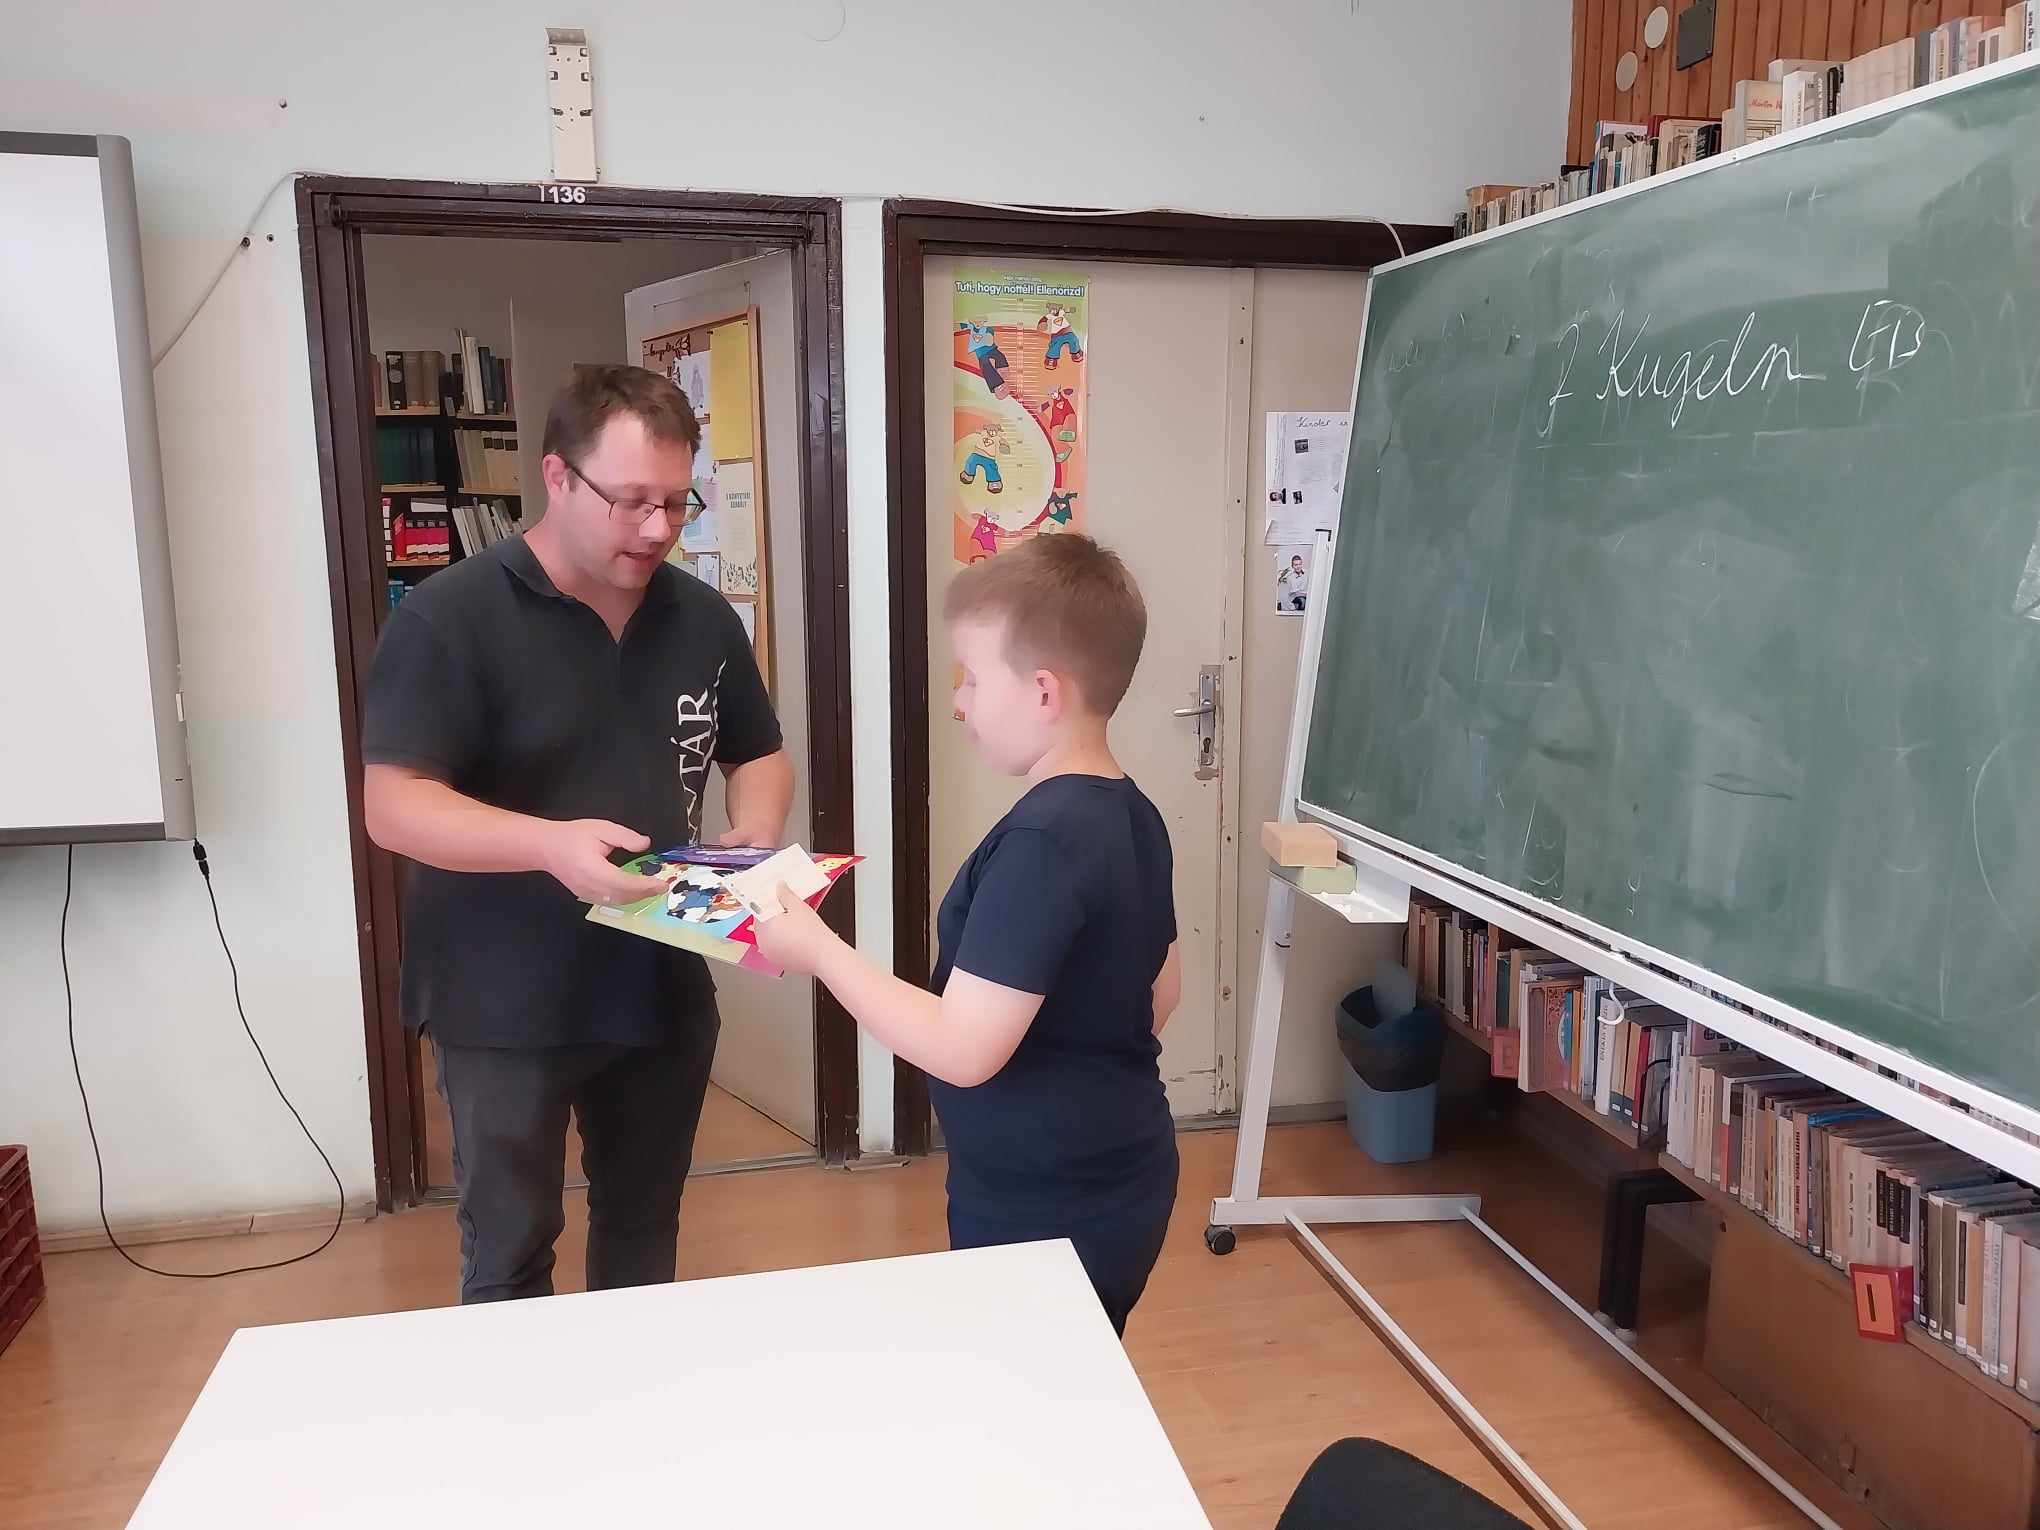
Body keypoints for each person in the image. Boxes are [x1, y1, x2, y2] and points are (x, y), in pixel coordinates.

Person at [361, 363, 792, 1304]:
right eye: (631, 501)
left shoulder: (701, 617)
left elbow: (758, 751)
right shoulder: (450, 618)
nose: (659, 529)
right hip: (501, 998)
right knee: (510, 1249)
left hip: (659, 980)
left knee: (644, 1233)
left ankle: (632, 1396)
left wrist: (753, 836)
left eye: (676, 502)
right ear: (557, 477)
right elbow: (394, 804)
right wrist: (548, 846)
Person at [754, 533, 1180, 1337]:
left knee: (1028, 1388)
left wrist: (818, 950)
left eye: (974, 678)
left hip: (1046, 1201)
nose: (959, 701)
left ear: (1044, 693)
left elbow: (961, 1048)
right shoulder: (1132, 813)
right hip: (1117, 1173)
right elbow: (1162, 989)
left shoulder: (1043, 843)